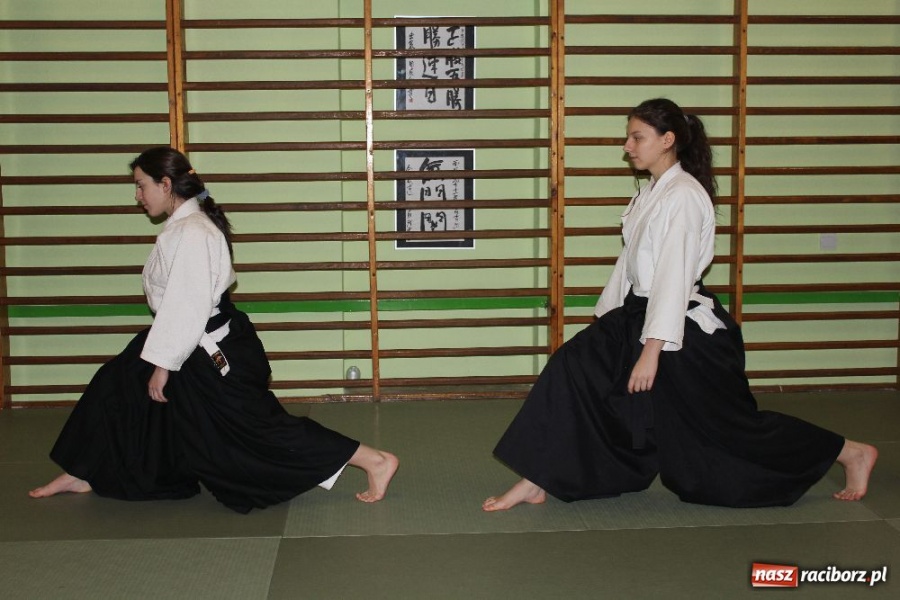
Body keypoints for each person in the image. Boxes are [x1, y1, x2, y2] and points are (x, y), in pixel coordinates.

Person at [483, 98, 877, 512]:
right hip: (637, 313)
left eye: (637, 137)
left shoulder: (685, 196)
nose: (627, 147)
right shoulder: (653, 192)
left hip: (680, 329)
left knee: (729, 432)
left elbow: (673, 276)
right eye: (628, 137)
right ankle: (536, 479)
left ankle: (850, 452)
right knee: (572, 368)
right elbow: (630, 262)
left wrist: (651, 351)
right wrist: (607, 318)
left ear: (667, 140)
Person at [29, 146, 398, 514]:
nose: (137, 195)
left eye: (141, 185)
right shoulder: (186, 226)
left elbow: (187, 304)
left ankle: (374, 460)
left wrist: (163, 365)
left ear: (166, 184)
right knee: (117, 385)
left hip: (206, 347)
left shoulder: (193, 231)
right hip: (183, 337)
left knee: (257, 429)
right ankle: (85, 472)